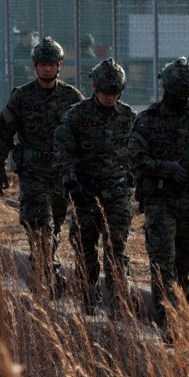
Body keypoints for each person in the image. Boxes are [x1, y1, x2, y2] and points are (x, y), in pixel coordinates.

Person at [0, 36, 84, 295]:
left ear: (59, 65)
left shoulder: (72, 97)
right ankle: (50, 275)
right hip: (33, 174)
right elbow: (2, 134)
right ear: (34, 65)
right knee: (40, 226)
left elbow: (86, 134)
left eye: (51, 64)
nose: (46, 68)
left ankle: (41, 270)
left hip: (62, 176)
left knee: (53, 227)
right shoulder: (21, 97)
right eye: (42, 63)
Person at [54, 58, 137, 313]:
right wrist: (71, 182)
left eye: (115, 93)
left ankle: (116, 304)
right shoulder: (76, 116)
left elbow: (137, 153)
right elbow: (62, 151)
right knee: (85, 248)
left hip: (117, 194)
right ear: (94, 87)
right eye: (105, 92)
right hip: (85, 193)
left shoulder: (129, 117)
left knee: (116, 249)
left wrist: (136, 184)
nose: (110, 97)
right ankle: (88, 300)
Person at [129, 57, 189, 330]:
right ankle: (168, 323)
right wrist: (167, 168)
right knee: (163, 264)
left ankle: (182, 317)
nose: (180, 99)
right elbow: (135, 158)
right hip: (160, 203)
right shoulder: (148, 121)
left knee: (186, 267)